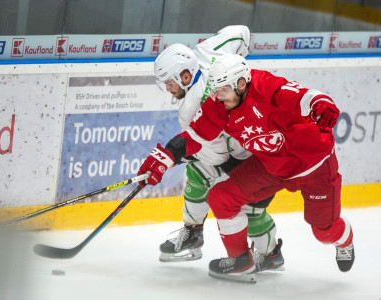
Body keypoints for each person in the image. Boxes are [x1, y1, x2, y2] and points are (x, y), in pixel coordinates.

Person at [138, 54, 354, 283]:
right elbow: (195, 135)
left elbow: (303, 96)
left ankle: (345, 241)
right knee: (222, 197)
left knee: (324, 232)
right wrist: (167, 155)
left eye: (223, 91)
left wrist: (320, 103)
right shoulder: (219, 103)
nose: (217, 97)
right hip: (271, 167)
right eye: (215, 90)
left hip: (314, 166)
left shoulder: (265, 85)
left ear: (241, 84)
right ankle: (240, 260)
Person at [152, 25, 284, 273]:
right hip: (253, 138)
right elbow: (242, 32)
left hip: (260, 155)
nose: (168, 90)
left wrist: (181, 153)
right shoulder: (206, 50)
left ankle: (271, 253)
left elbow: (219, 157)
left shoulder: (189, 110)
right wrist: (237, 64)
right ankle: (193, 232)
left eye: (169, 83)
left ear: (185, 76)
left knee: (248, 209)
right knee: (197, 172)